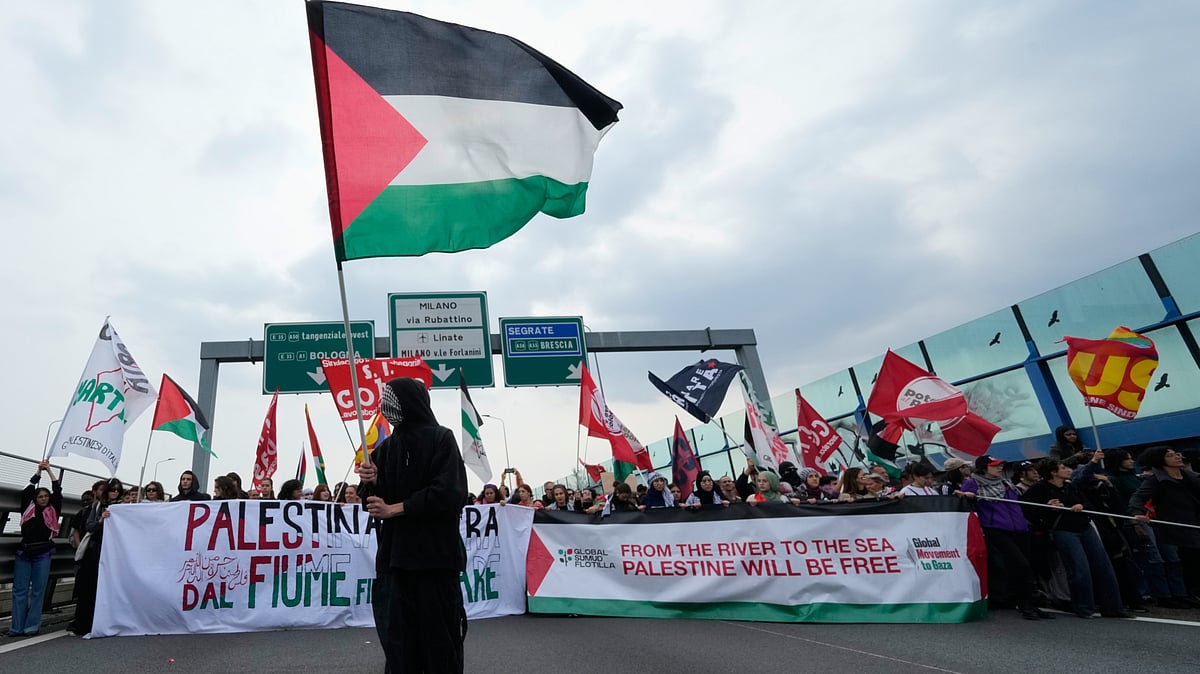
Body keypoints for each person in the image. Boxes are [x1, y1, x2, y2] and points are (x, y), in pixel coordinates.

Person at [356, 377, 468, 673]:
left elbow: (450, 493)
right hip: (395, 562)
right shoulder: (384, 449)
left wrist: (397, 509)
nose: (385, 406)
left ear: (411, 402)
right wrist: (371, 482)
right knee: (399, 645)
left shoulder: (441, 439)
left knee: (439, 643)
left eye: (391, 399)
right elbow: (373, 503)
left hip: (435, 561)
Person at [1020, 459, 1128, 619]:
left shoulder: (1070, 486)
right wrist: (1048, 509)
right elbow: (1027, 510)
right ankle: (1084, 607)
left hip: (1084, 527)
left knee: (1103, 566)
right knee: (1079, 568)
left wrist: (1082, 506)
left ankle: (1113, 608)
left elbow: (1087, 503)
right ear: (1053, 472)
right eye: (1063, 467)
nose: (1068, 470)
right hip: (1063, 530)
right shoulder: (1039, 489)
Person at [961, 456, 1051, 620]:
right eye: (995, 465)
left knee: (1027, 566)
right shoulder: (972, 483)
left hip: (1020, 528)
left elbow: (1020, 502)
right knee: (1021, 565)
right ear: (984, 468)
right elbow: (964, 503)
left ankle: (1031, 604)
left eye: (1000, 465)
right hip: (996, 530)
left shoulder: (1005, 482)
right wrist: (966, 496)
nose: (1000, 468)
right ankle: (1025, 605)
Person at [1130, 446, 1200, 602]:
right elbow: (1138, 497)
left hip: (1196, 521)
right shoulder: (1156, 480)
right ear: (1160, 461)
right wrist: (1137, 512)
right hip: (1178, 526)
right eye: (1170, 455)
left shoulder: (1191, 476)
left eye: (1176, 454)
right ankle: (1189, 593)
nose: (1177, 457)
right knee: (1189, 560)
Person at [10, 461, 63, 636]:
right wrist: (38, 472)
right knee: (20, 590)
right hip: (24, 552)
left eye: (46, 496)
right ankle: (16, 627)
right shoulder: (28, 508)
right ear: (35, 498)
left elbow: (57, 492)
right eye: (40, 496)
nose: (43, 499)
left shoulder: (53, 510)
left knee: (38, 591)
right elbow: (27, 490)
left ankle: (31, 626)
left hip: (43, 553)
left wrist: (50, 471)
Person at [70, 478, 123, 635]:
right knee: (87, 588)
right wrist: (101, 520)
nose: (115, 493)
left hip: (113, 554)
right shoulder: (97, 506)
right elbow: (89, 526)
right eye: (112, 489)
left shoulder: (123, 508)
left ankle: (102, 622)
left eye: (118, 490)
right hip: (94, 553)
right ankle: (82, 624)